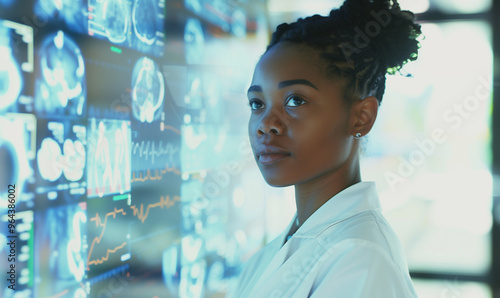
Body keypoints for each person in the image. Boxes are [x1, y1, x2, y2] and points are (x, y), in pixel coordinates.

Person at [232, 0, 422, 297]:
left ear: (361, 116)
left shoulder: (361, 258)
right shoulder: (277, 250)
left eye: (295, 100)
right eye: (257, 104)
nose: (265, 124)